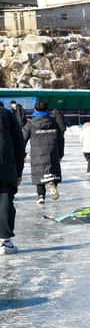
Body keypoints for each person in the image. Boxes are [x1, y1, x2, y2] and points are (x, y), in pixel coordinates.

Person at [23, 100, 64, 204]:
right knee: (52, 171)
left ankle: (41, 195)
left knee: (39, 173)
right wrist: (60, 154)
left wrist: (21, 153)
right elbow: (60, 139)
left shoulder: (31, 123)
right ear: (47, 110)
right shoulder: (54, 122)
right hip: (52, 152)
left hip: (37, 154)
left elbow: (22, 139)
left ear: (35, 110)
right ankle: (52, 182)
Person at [0, 103, 25, 254]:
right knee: (4, 200)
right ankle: (4, 242)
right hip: (4, 164)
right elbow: (19, 144)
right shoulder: (7, 115)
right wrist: (18, 172)